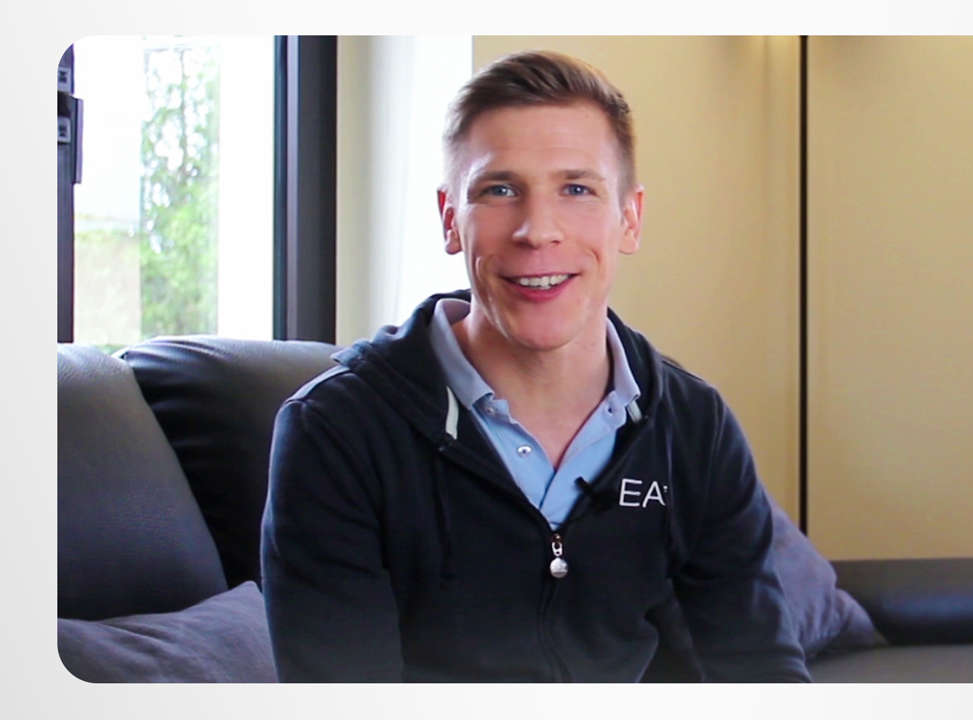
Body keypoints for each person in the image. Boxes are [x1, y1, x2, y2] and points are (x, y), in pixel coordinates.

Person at [260, 50, 810, 682]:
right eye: (500, 190)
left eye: (577, 189)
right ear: (451, 220)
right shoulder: (336, 431)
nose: (537, 230)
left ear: (629, 218)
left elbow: (761, 673)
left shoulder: (694, 425)